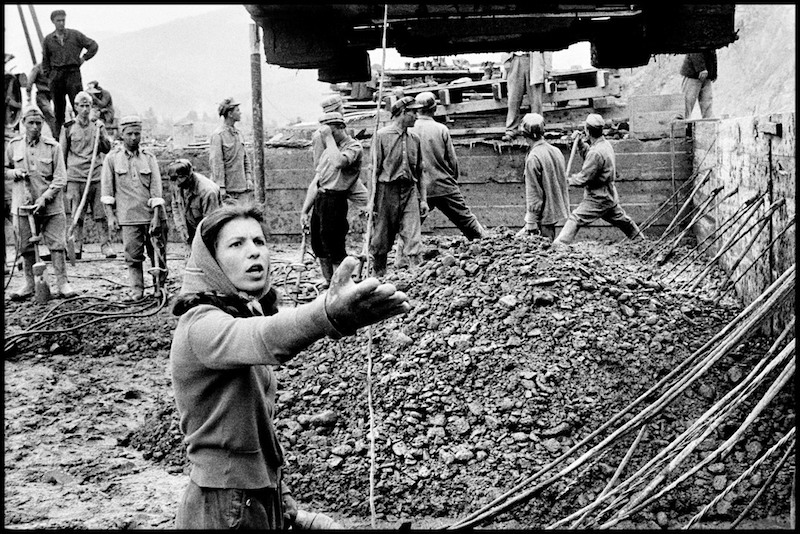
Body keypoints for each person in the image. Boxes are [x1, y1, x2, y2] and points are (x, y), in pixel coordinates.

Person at [170, 204, 410, 529]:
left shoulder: (239, 312)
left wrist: (291, 512)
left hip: (254, 496)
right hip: (224, 506)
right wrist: (326, 313)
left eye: (259, 241)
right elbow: (268, 338)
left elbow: (255, 431)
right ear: (210, 260)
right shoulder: (199, 324)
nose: (254, 253)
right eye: (236, 244)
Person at [4, 106, 77, 299]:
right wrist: (14, 173)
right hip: (23, 206)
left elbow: (61, 178)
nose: (35, 127)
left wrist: (45, 197)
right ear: (23, 124)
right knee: (25, 246)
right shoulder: (13, 146)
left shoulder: (53, 147)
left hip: (51, 206)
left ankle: (62, 283)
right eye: (31, 123)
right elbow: (5, 169)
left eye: (38, 123)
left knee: (57, 244)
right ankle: (29, 284)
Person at [100, 115, 168, 300]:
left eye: (137, 134)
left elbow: (156, 190)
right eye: (129, 134)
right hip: (128, 217)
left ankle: (159, 287)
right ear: (122, 134)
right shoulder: (112, 159)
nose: (133, 138)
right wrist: (111, 217)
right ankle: (137, 290)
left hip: (151, 216)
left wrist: (156, 217)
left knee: (158, 253)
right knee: (132, 255)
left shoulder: (149, 157)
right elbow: (107, 191)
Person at [553, 113, 642, 246]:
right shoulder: (605, 145)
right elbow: (592, 156)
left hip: (598, 198)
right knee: (622, 219)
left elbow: (584, 177)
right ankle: (640, 240)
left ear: (587, 131)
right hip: (609, 195)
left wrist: (569, 181)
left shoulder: (596, 153)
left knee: (576, 218)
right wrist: (581, 144)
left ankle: (559, 245)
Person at [410, 91, 486, 243]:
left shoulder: (409, 130)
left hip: (419, 188)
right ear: (434, 109)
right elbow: (452, 160)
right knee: (467, 221)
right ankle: (486, 245)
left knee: (411, 228)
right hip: (443, 184)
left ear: (416, 110)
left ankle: (402, 259)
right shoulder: (441, 129)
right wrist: (452, 181)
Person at [300, 112, 364, 285]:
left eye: (331, 131)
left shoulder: (354, 147)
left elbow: (339, 163)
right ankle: (329, 282)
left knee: (334, 245)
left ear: (341, 127)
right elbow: (316, 182)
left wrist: (328, 136)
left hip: (336, 200)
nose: (327, 136)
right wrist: (305, 210)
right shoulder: (329, 149)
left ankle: (341, 285)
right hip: (321, 199)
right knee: (319, 244)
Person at [369, 96, 426, 277]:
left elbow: (420, 172)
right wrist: (372, 201)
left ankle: (416, 276)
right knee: (381, 236)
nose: (417, 116)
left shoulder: (415, 139)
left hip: (409, 190)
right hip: (386, 190)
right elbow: (373, 172)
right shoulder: (381, 136)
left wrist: (423, 199)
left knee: (413, 234)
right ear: (402, 113)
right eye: (413, 112)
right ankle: (379, 276)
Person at [60, 91, 114, 259]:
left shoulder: (97, 126)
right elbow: (62, 154)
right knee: (77, 213)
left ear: (91, 107)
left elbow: (107, 149)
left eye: (87, 106)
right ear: (75, 107)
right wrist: (63, 179)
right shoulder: (68, 127)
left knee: (100, 214)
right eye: (81, 106)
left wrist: (102, 133)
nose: (84, 109)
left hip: (96, 175)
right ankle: (76, 247)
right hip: (75, 177)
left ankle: (106, 246)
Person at [41, 9, 99, 139]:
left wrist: (83, 58)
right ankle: (59, 141)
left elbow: (93, 45)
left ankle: (83, 137)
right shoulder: (48, 40)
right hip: (57, 76)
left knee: (79, 106)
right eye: (58, 21)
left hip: (73, 74)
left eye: (63, 20)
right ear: (53, 22)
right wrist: (50, 76)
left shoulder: (75, 35)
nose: (61, 23)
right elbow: (45, 61)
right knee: (58, 111)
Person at [515, 113, 570, 241]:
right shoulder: (556, 151)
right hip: (555, 210)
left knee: (544, 248)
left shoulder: (533, 158)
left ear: (524, 135)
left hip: (543, 215)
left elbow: (534, 192)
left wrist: (531, 220)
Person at [310, 94, 368, 209]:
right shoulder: (320, 135)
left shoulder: (341, 127)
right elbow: (319, 163)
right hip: (333, 181)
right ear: (335, 110)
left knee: (370, 205)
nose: (344, 110)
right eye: (342, 108)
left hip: (348, 179)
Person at [166, 158, 221, 246]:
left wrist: (200, 244)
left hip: (208, 231)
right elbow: (175, 206)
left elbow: (211, 223)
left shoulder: (208, 191)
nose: (176, 183)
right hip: (190, 227)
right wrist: (181, 227)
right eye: (173, 179)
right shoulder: (177, 184)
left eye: (180, 179)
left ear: (189, 176)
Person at [210, 97, 254, 204]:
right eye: (237, 110)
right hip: (228, 191)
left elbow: (245, 158)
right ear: (230, 114)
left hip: (242, 189)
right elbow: (216, 163)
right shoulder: (218, 135)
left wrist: (248, 178)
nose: (240, 113)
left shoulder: (238, 134)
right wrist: (221, 187)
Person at [501, 51, 553, 142]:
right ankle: (511, 130)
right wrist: (506, 60)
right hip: (516, 60)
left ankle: (537, 130)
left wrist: (547, 67)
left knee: (536, 100)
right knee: (513, 99)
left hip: (534, 61)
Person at [680, 51, 717, 120]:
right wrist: (701, 68)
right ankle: (682, 126)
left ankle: (709, 124)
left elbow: (712, 52)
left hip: (706, 74)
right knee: (687, 102)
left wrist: (713, 73)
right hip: (693, 74)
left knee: (707, 102)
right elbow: (694, 49)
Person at [26, 63, 57, 137]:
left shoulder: (54, 67)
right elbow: (29, 82)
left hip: (53, 94)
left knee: (59, 116)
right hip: (42, 95)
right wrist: (29, 99)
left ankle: (59, 136)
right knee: (50, 114)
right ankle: (57, 136)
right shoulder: (37, 68)